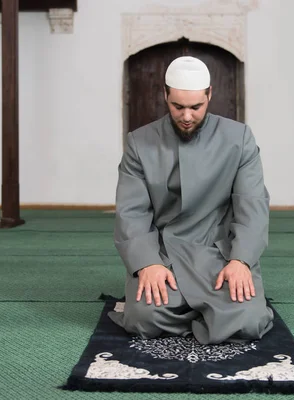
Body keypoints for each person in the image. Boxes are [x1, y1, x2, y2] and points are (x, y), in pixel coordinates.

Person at [108, 55, 274, 345]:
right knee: (142, 319)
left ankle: (201, 311)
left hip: (219, 254)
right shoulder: (139, 142)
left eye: (196, 107)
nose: (187, 116)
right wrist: (147, 264)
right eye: (178, 106)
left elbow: (253, 206)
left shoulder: (240, 138)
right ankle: (209, 315)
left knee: (250, 322)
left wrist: (241, 260)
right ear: (165, 95)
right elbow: (131, 212)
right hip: (164, 256)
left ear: (210, 94)